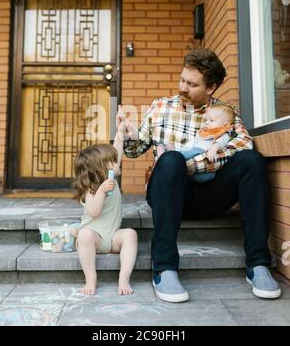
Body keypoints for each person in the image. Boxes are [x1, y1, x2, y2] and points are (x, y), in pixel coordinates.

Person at [119, 48, 281, 303]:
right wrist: (128, 134)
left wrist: (193, 164)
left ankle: (258, 264)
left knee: (252, 160)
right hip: (169, 195)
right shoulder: (160, 107)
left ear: (211, 87)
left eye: (192, 84)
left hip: (209, 195)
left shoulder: (225, 112)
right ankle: (164, 268)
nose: (183, 87)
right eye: (182, 79)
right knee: (170, 160)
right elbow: (135, 150)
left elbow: (244, 143)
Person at [74, 121, 138, 296]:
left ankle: (124, 278)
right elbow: (94, 212)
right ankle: (90, 279)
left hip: (112, 238)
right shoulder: (92, 189)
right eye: (113, 162)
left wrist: (120, 132)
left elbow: (116, 149)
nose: (118, 163)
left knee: (131, 234)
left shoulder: (111, 181)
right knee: (84, 234)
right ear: (101, 169)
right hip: (95, 238)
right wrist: (101, 191)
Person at [156, 104, 235, 183]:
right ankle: (171, 154)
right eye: (206, 120)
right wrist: (182, 149)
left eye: (211, 120)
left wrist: (213, 149)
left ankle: (170, 156)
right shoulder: (203, 132)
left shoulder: (224, 134)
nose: (206, 123)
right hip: (195, 158)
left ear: (225, 125)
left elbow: (220, 143)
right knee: (187, 154)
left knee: (207, 174)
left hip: (204, 155)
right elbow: (193, 143)